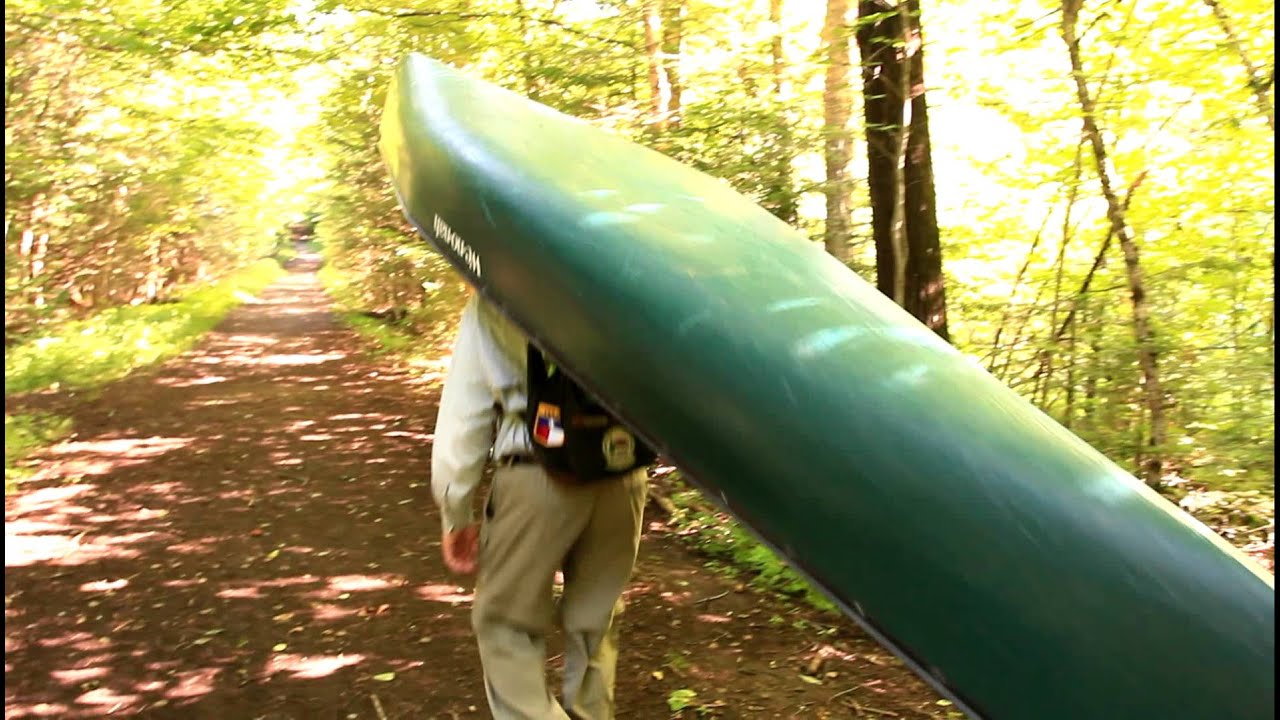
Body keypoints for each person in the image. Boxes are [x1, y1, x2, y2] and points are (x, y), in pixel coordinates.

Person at [431, 291, 649, 720]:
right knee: (595, 624)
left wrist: (456, 510)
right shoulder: (630, 287)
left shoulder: (496, 298)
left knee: (506, 625)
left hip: (536, 476)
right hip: (621, 469)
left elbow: (465, 418)